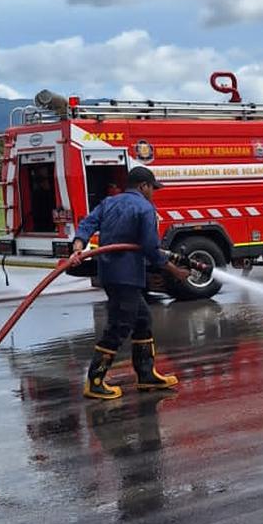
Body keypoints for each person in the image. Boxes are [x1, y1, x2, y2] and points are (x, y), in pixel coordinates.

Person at [69, 166, 190, 400]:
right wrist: (175, 271)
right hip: (126, 275)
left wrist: (78, 246)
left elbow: (86, 225)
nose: (153, 193)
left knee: (142, 319)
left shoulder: (109, 202)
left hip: (109, 274)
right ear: (143, 186)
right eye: (152, 188)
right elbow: (151, 249)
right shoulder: (144, 208)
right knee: (119, 325)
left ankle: (146, 375)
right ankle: (95, 381)